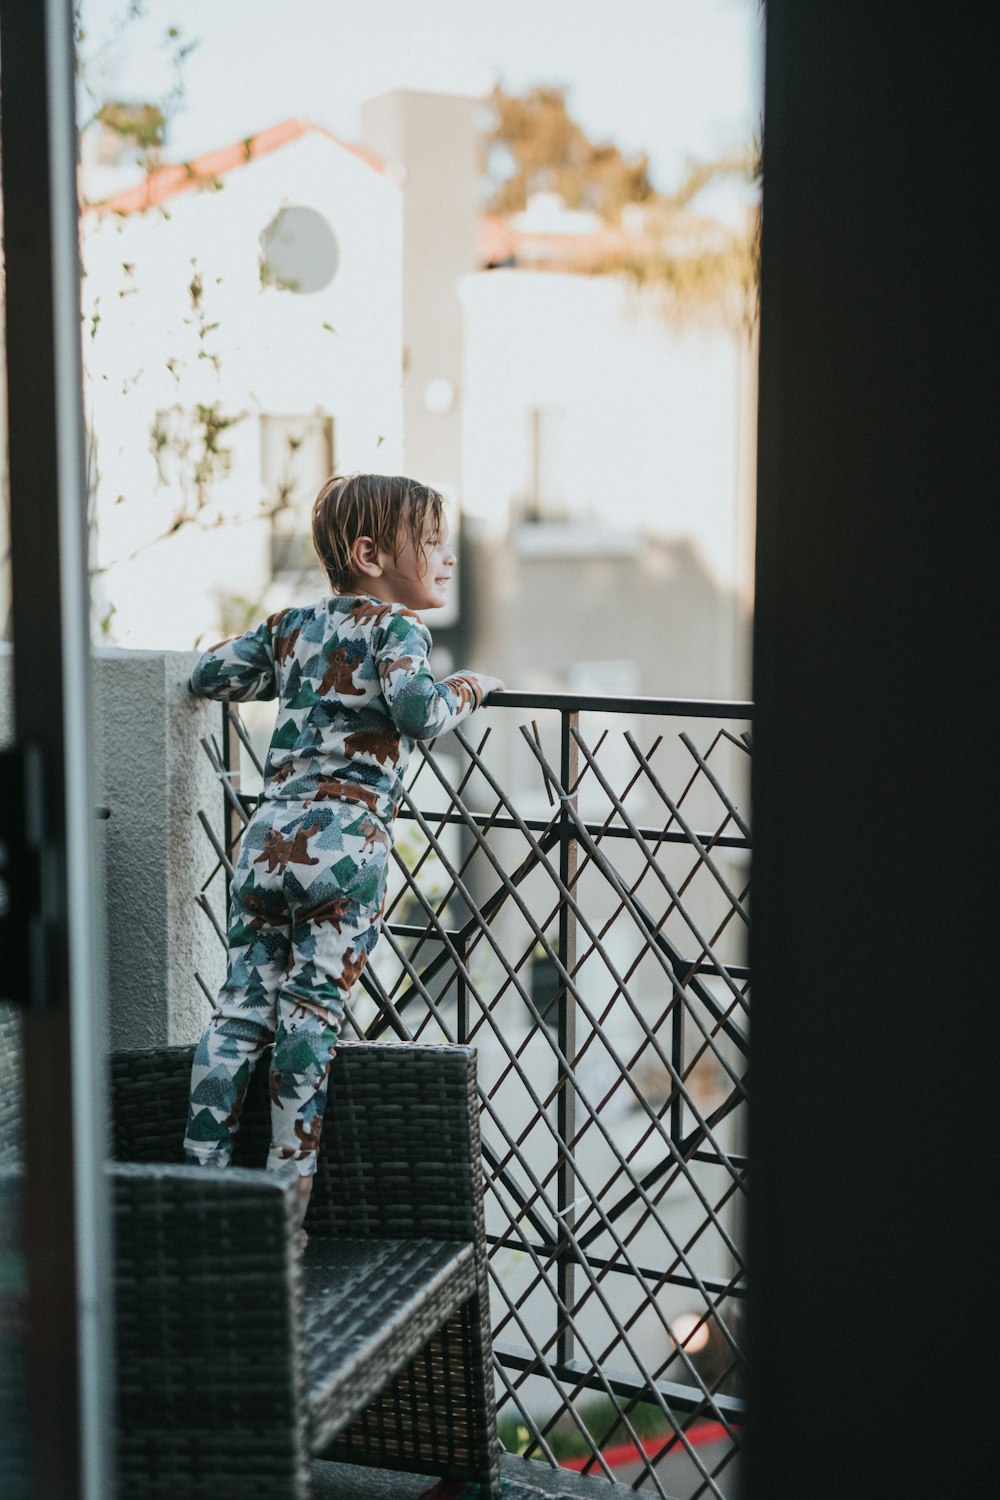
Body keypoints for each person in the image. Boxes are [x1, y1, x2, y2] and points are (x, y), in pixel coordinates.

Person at [182, 472, 503, 1239]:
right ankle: (282, 1209)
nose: (446, 558)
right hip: (343, 848)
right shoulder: (399, 630)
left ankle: (194, 1184)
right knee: (310, 1018)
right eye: (430, 544)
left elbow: (208, 674)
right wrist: (473, 684)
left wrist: (287, 664)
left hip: (266, 843)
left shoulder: (293, 623)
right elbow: (419, 713)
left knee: (238, 1015)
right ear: (369, 554)